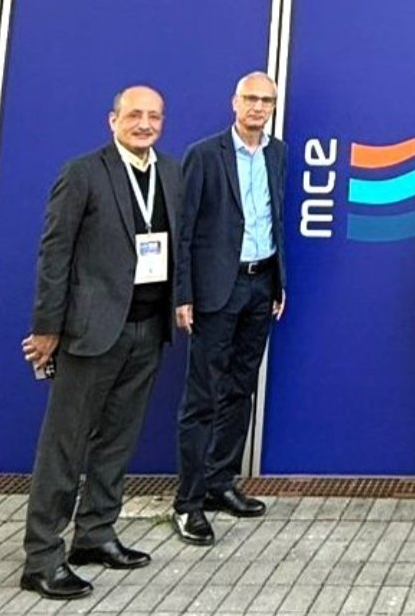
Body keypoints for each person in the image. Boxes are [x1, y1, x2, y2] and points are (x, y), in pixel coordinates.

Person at [20, 86, 181, 599]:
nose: (144, 124)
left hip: (148, 328)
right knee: (65, 445)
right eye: (134, 115)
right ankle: (42, 556)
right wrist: (47, 327)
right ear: (113, 120)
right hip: (91, 333)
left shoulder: (171, 172)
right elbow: (54, 255)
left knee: (117, 441)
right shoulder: (83, 173)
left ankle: (94, 534)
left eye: (154, 116)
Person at [172, 72, 287, 545]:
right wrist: (183, 294)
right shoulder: (204, 155)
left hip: (262, 285)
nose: (258, 107)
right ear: (234, 102)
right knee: (202, 396)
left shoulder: (278, 154)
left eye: (267, 101)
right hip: (217, 290)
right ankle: (188, 503)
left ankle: (220, 482)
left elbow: (275, 218)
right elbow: (184, 229)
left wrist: (279, 281)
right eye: (251, 99)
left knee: (240, 389)